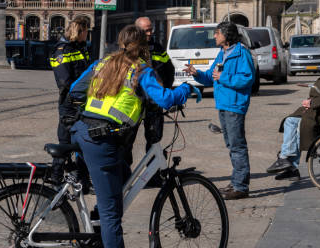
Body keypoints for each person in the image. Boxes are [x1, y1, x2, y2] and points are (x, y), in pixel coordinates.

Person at [69, 25, 196, 248]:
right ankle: (102, 230)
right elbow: (165, 99)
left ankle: (98, 226)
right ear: (143, 46)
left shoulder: (103, 63)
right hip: (100, 141)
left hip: (83, 131)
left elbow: (75, 90)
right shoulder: (140, 71)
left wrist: (97, 105)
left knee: (124, 176)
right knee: (112, 215)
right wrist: (186, 89)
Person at [183, 21, 255, 200]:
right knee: (231, 145)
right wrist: (197, 73)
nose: (214, 36)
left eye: (217, 33)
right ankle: (236, 181)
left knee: (237, 146)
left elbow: (247, 79)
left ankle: (240, 186)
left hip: (235, 105)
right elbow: (211, 77)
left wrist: (224, 77)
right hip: (223, 104)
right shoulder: (222, 53)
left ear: (226, 35)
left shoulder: (241, 53)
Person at [266, 51, 320, 181]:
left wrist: (311, 102)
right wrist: (310, 101)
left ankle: (287, 160)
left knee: (295, 123)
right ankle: (289, 164)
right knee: (291, 121)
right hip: (316, 110)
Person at [132, 17, 175, 185]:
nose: (150, 33)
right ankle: (124, 177)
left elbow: (169, 69)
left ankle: (153, 176)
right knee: (126, 143)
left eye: (151, 30)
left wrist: (166, 91)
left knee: (154, 140)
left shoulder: (157, 48)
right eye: (146, 31)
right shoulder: (129, 49)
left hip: (154, 104)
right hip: (134, 104)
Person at [48, 16, 90, 185]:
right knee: (65, 139)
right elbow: (64, 81)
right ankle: (56, 176)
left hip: (83, 100)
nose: (88, 35)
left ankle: (82, 178)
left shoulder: (80, 47)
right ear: (81, 31)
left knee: (83, 140)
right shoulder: (62, 49)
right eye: (87, 31)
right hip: (70, 102)